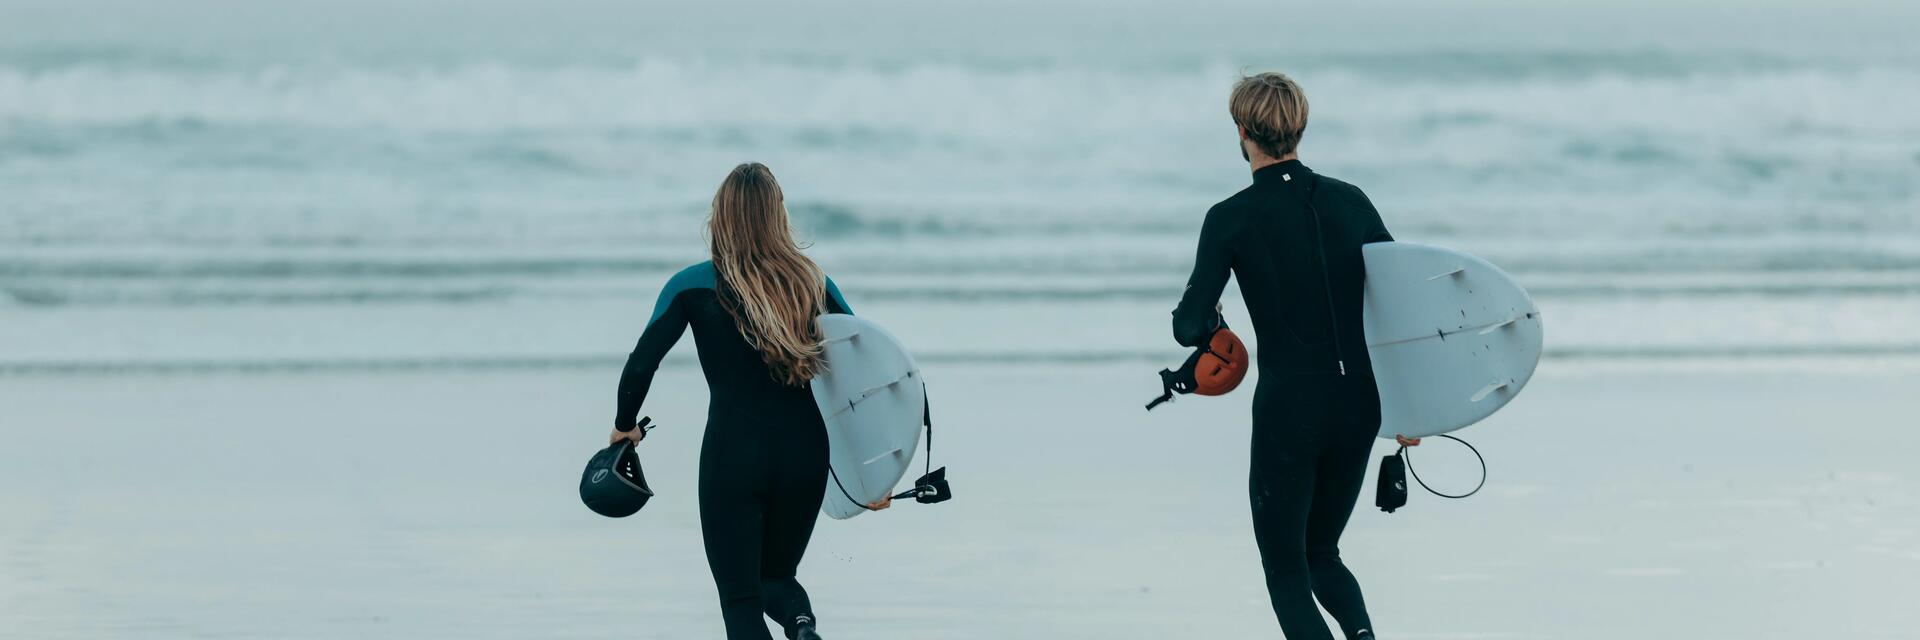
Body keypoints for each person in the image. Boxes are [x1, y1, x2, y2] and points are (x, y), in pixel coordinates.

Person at [610, 162, 886, 640]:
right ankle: (802, 627)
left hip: (733, 456)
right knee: (776, 578)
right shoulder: (812, 282)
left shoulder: (692, 286)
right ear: (777, 216)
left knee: (741, 599)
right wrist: (876, 469)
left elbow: (642, 363)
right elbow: (863, 371)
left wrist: (625, 424)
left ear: (721, 215)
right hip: (804, 456)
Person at [1171, 72, 1395, 640]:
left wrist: (1215, 323)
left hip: (1290, 409)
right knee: (1324, 552)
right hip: (1359, 404)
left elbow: (1187, 326)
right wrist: (1415, 411)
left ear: (1242, 131)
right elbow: (1400, 304)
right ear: (1300, 127)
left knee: (1287, 569)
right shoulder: (1352, 201)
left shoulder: (1230, 217)